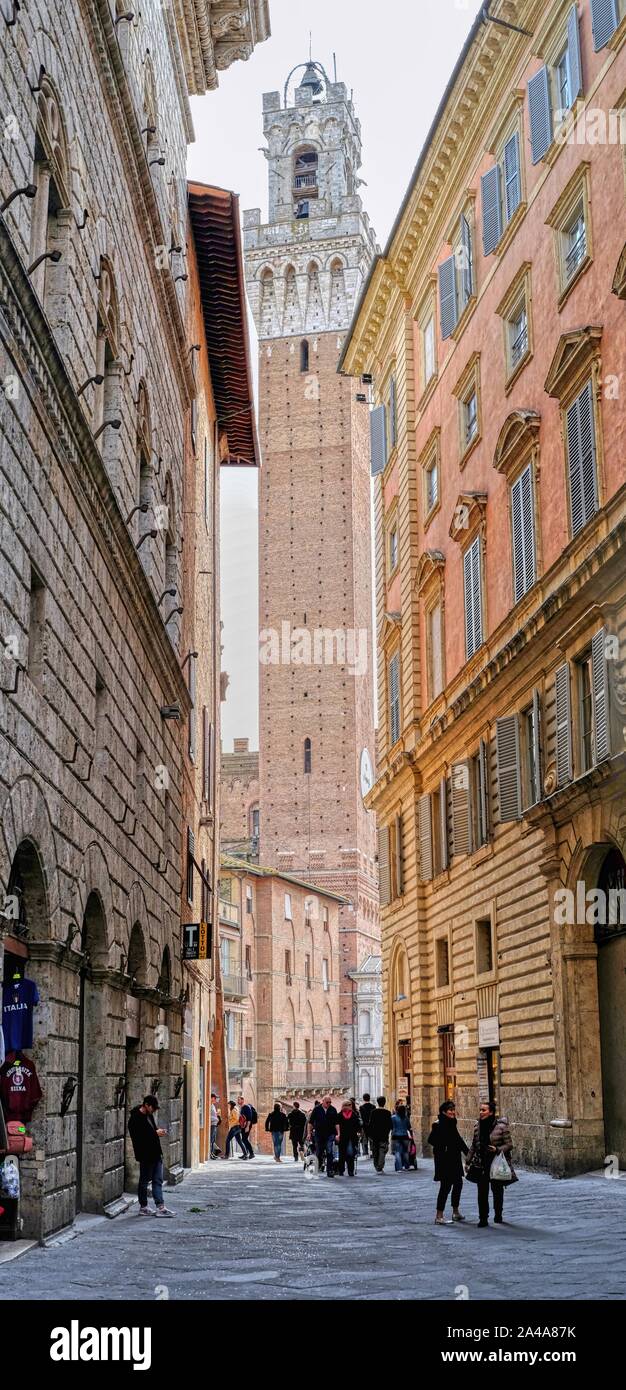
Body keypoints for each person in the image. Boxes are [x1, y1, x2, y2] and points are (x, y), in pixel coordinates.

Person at [466, 1100, 516, 1227]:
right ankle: (483, 1218)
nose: (481, 1112)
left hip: (496, 1163)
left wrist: (497, 1149)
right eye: (480, 1110)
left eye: (484, 1110)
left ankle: (498, 1214)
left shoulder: (502, 1127)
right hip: (481, 1163)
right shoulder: (477, 1126)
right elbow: (474, 1144)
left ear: (491, 1112)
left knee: (497, 1191)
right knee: (482, 1192)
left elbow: (509, 1145)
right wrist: (467, 1161)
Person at [128, 1095, 174, 1218]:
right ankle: (143, 1207)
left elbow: (151, 1131)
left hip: (156, 1153)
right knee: (144, 1181)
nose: (154, 1111)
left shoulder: (149, 1115)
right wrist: (155, 1133)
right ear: (147, 1105)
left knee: (157, 1180)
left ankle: (160, 1207)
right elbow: (138, 1138)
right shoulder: (135, 1119)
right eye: (153, 1108)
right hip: (145, 1155)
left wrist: (158, 1131)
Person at [428, 1100, 469, 1225]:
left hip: (454, 1159)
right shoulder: (438, 1124)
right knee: (445, 1187)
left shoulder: (452, 1123)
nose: (452, 1112)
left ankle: (455, 1212)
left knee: (458, 1184)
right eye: (450, 1110)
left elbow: (458, 1140)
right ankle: (439, 1215)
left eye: (453, 1110)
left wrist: (468, 1154)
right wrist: (444, 1146)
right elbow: (431, 1140)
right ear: (444, 1112)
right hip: (444, 1161)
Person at [308, 1094, 339, 1177]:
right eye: (327, 1102)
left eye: (330, 1102)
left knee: (329, 1151)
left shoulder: (333, 1109)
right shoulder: (317, 1109)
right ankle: (317, 1167)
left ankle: (330, 1171)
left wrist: (338, 1134)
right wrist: (309, 1133)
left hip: (330, 1134)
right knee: (319, 1152)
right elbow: (310, 1122)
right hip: (319, 1134)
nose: (329, 1104)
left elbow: (336, 1123)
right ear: (323, 1102)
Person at [336, 1100, 361, 1176]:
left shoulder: (354, 1115)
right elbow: (337, 1125)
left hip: (351, 1137)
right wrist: (337, 1135)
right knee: (342, 1154)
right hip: (342, 1137)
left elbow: (358, 1125)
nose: (349, 1106)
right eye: (348, 1105)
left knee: (350, 1154)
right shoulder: (339, 1115)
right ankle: (341, 1170)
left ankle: (350, 1170)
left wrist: (358, 1131)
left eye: (350, 1105)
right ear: (344, 1106)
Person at [368, 1096, 393, 1173]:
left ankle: (376, 1165)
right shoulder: (388, 1113)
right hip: (384, 1135)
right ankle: (380, 1166)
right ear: (384, 1102)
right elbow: (390, 1125)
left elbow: (370, 1124)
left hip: (375, 1135)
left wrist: (370, 1134)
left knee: (375, 1151)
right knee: (382, 1150)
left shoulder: (373, 1112)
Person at [391, 1101, 412, 1171]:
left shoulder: (393, 1117)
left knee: (397, 1152)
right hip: (405, 1136)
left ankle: (399, 1168)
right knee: (405, 1152)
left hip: (396, 1136)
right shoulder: (406, 1118)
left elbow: (391, 1127)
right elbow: (409, 1127)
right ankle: (406, 1166)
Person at [238, 1093, 256, 1159]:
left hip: (247, 1125)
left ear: (243, 1100)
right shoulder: (242, 1108)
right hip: (243, 1126)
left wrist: (248, 1126)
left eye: (239, 1100)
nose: (238, 1101)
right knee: (244, 1139)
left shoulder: (246, 1107)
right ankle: (246, 1154)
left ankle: (251, 1153)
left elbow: (249, 1118)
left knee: (244, 1139)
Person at [209, 1093, 220, 1158]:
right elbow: (208, 1116)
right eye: (215, 1098)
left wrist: (216, 1114)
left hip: (215, 1124)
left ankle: (212, 1153)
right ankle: (210, 1154)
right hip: (212, 1124)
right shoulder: (209, 1105)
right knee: (211, 1140)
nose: (216, 1099)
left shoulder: (213, 1105)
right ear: (212, 1098)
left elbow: (213, 1114)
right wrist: (215, 1118)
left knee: (213, 1140)